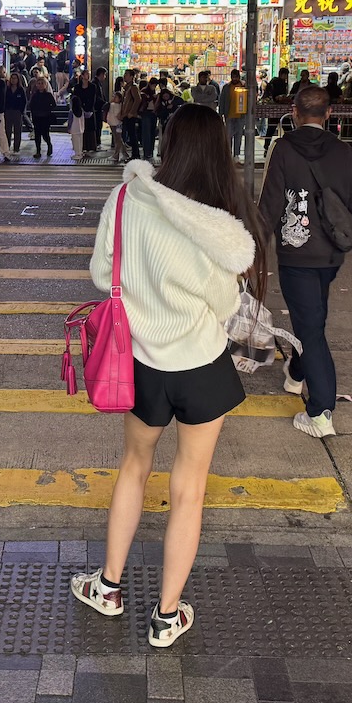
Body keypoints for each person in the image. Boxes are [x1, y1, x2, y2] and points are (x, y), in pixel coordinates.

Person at [70, 104, 265, 649]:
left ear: (169, 143)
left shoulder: (128, 197)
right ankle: (166, 616)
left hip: (140, 364)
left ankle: (108, 588)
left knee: (134, 467)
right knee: (190, 489)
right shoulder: (216, 225)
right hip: (201, 366)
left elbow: (102, 274)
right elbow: (226, 303)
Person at [258, 85, 352, 438]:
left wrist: (249, 253)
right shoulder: (344, 153)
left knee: (311, 326)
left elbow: (269, 207)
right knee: (313, 315)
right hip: (331, 253)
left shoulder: (282, 150)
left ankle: (321, 412)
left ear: (294, 113)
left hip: (295, 252)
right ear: (329, 114)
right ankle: (297, 374)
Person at [29, 76, 57, 158]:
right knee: (37, 135)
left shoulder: (48, 95)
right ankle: (38, 151)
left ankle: (49, 145)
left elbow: (54, 105)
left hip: (45, 117)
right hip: (37, 117)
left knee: (45, 134)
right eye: (39, 83)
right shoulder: (34, 95)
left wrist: (47, 109)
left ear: (45, 85)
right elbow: (31, 105)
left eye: (42, 83)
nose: (40, 85)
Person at [223, 69, 249, 160]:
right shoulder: (226, 87)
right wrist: (221, 114)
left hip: (240, 116)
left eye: (236, 77)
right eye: (233, 77)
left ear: (239, 77)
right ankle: (229, 154)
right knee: (228, 136)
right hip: (229, 115)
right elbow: (222, 101)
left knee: (238, 136)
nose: (234, 79)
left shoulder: (244, 87)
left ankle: (236, 155)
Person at [5, 68, 28, 153]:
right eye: (12, 78)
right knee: (7, 130)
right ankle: (7, 147)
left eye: (15, 78)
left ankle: (16, 148)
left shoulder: (21, 90)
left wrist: (21, 111)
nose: (13, 80)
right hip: (8, 111)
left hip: (17, 112)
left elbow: (24, 101)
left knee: (17, 131)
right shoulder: (7, 89)